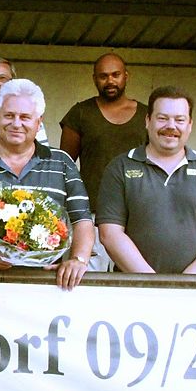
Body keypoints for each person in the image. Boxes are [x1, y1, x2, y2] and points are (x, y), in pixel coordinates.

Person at [0, 79, 94, 291]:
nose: (16, 123)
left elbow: (83, 221)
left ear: (38, 122)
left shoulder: (62, 163)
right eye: (9, 115)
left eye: (25, 117)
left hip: (49, 287)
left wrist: (78, 259)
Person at [96, 86, 196, 274]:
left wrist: (188, 282)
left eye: (180, 120)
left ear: (190, 125)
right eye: (162, 118)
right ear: (147, 121)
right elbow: (110, 234)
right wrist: (152, 283)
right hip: (135, 292)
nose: (171, 126)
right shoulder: (120, 167)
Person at [60, 53, 148, 272]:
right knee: (87, 281)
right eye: (103, 76)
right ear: (94, 79)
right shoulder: (80, 113)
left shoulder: (147, 115)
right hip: (91, 214)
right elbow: (64, 166)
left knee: (135, 283)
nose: (110, 81)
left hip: (137, 213)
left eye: (116, 75)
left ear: (126, 76)